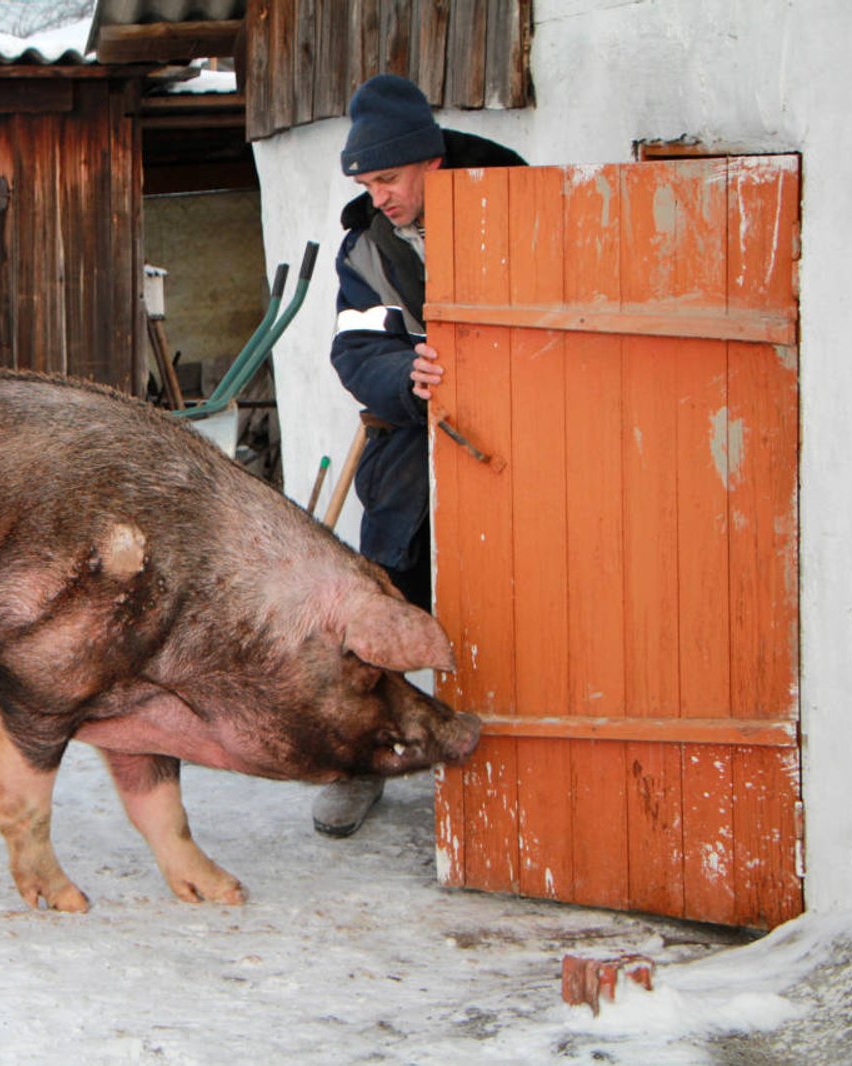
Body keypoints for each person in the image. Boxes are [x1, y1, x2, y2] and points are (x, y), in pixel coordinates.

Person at [313, 73, 524, 837]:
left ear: (429, 160)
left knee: (518, 605)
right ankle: (359, 760)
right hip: (412, 453)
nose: (380, 197)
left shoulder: (519, 202)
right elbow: (356, 349)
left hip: (524, 445)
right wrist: (406, 375)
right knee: (388, 606)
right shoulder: (366, 247)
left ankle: (522, 765)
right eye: (368, 183)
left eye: (388, 178)